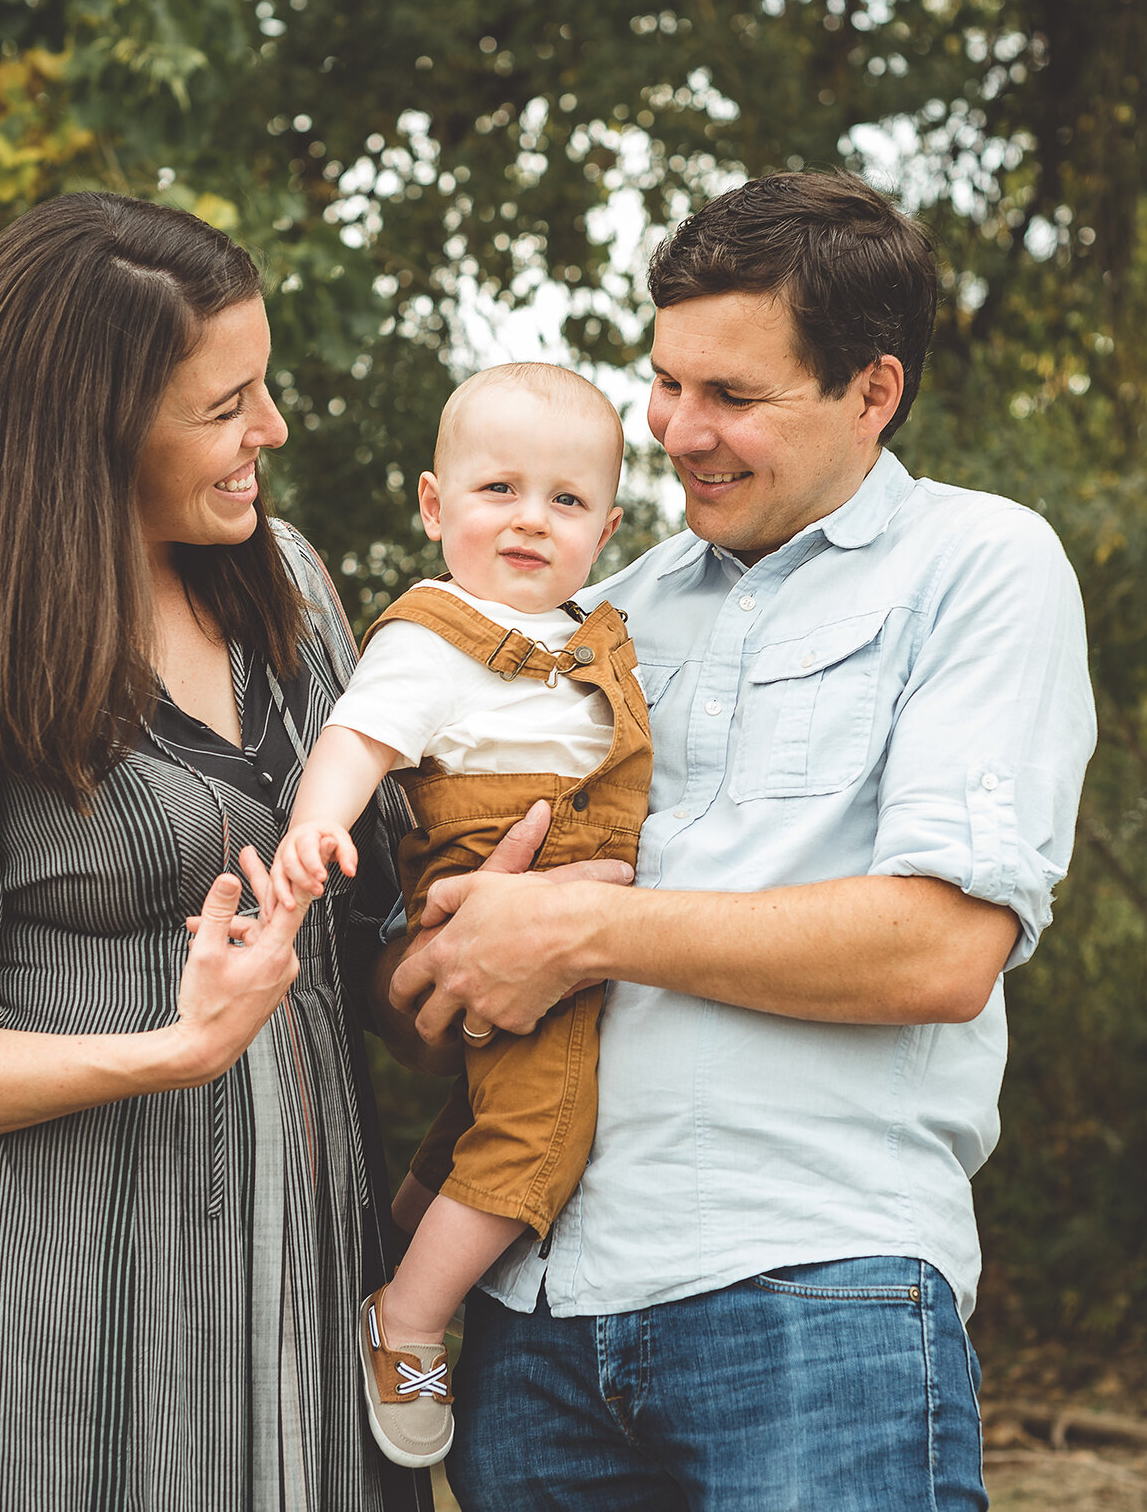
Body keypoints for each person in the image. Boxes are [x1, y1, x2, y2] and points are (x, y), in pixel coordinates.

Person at [0, 193, 627, 1511]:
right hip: (58, 1328)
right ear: (93, 425)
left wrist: (480, 938)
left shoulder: (288, 587)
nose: (271, 431)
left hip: (306, 1311)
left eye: (265, 385)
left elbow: (369, 958)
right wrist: (172, 1051)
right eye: (223, 404)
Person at [391, 173, 1098, 1510]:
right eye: (665, 384)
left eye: (733, 397)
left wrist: (579, 930)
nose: (675, 431)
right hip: (536, 1314)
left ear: (872, 393)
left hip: (816, 1293)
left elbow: (943, 948)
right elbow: (456, 955)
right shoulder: (604, 607)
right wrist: (439, 960)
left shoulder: (980, 567)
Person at [267, 363, 649, 1470]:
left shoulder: (598, 632)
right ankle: (413, 1321)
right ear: (435, 507)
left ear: (606, 526)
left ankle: (387, 1247)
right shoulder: (430, 637)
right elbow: (358, 739)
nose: (531, 518)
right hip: (490, 884)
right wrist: (316, 827)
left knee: (487, 1120)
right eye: (498, 490)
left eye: (567, 501)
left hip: (578, 922)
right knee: (539, 1135)